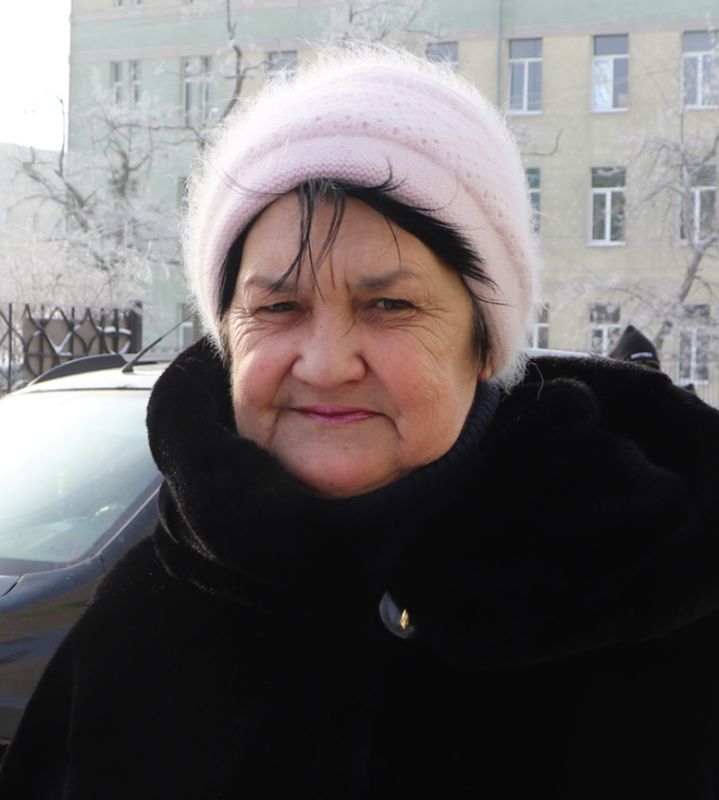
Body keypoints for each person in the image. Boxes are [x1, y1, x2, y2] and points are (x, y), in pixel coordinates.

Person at [2, 45, 719, 800]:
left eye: (389, 305)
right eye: (279, 307)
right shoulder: (137, 630)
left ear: (483, 344)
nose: (324, 363)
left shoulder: (666, 604)